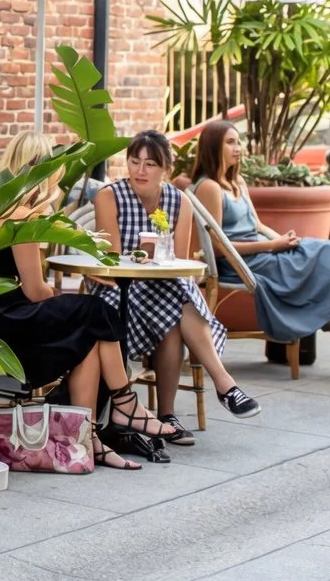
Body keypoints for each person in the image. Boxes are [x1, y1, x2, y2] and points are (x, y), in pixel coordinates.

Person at [0, 131, 169, 468]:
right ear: (46, 170)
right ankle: (125, 404)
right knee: (98, 309)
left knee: (89, 336)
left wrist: (56, 297)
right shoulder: (22, 218)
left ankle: (88, 440)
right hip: (7, 320)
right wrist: (57, 295)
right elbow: (34, 291)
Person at [187, 121, 330, 385]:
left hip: (263, 254)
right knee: (328, 253)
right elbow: (220, 248)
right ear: (213, 147)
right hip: (244, 263)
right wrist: (272, 246)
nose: (238, 148)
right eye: (230, 142)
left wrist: (281, 239)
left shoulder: (237, 182)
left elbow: (255, 225)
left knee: (328, 261)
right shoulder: (210, 187)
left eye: (239, 141)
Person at [95, 129, 261, 432]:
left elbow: (179, 262)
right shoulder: (110, 196)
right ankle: (219, 388)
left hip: (164, 284)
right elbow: (113, 259)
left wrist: (158, 262)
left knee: (175, 307)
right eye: (134, 162)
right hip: (120, 288)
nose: (140, 171)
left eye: (150, 164)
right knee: (174, 316)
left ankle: (170, 415)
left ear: (165, 170)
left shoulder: (179, 200)